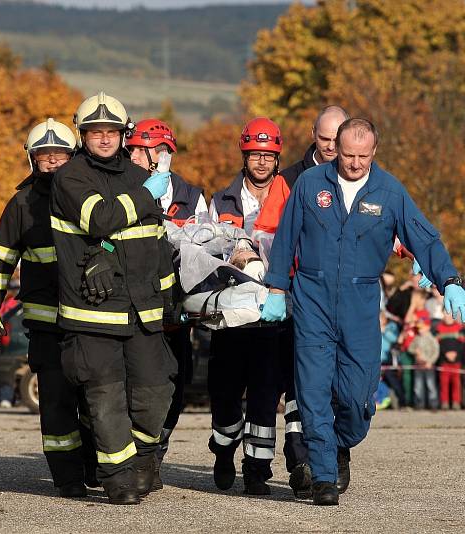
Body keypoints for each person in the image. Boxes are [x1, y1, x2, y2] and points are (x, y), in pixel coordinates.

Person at [262, 118, 465, 505]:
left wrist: (450, 282)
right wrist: (277, 288)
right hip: (313, 298)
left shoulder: (390, 191)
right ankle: (324, 476)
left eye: (362, 155)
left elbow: (423, 238)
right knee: (312, 390)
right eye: (347, 154)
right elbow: (286, 237)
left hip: (361, 304)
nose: (354, 163)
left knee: (357, 396)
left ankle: (342, 441)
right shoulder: (311, 184)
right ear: (335, 150)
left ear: (374, 152)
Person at [49, 92, 176, 505]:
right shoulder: (69, 177)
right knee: (105, 399)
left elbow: (156, 240)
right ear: (82, 135)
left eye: (112, 132)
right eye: (94, 132)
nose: (104, 139)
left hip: (143, 309)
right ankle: (117, 476)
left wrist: (170, 294)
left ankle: (141, 458)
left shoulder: (139, 179)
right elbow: (99, 218)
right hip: (93, 311)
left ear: (124, 135)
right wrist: (146, 195)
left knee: (155, 394)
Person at [0, 118, 98, 497]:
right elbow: (0, 262)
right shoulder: (21, 204)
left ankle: (98, 468)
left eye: (60, 155)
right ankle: (67, 478)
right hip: (46, 326)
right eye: (44, 155)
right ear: (32, 160)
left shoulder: (93, 195)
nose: (52, 162)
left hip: (93, 321)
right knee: (56, 404)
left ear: (73, 156)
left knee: (98, 400)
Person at [207, 117, 309, 497]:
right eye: (255, 155)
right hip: (231, 316)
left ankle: (256, 470)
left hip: (275, 314)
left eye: (268, 155)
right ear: (244, 155)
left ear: (278, 158)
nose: (262, 162)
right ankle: (223, 447)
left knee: (267, 395)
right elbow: (204, 246)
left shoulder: (292, 198)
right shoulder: (221, 201)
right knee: (225, 395)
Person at [125, 117, 205, 490]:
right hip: (134, 308)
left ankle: (157, 452)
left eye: (137, 151)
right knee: (135, 383)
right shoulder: (124, 188)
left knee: (176, 383)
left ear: (160, 154)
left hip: (175, 312)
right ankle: (137, 456)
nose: (131, 157)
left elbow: (206, 248)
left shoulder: (192, 195)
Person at [280, 105, 350, 187]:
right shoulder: (288, 180)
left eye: (337, 140)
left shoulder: (361, 177)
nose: (331, 147)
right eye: (324, 139)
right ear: (313, 133)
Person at [408, 310, 439, 410]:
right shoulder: (417, 338)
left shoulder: (431, 339)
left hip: (428, 365)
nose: (420, 330)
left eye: (422, 328)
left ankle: (433, 404)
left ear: (428, 327)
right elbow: (410, 348)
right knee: (418, 386)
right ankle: (419, 404)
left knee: (431, 386)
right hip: (418, 365)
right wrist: (414, 350)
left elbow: (436, 351)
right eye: (419, 328)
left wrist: (431, 361)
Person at [436, 310, 465, 410]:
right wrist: (445, 353)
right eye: (445, 313)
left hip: (456, 361)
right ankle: (444, 402)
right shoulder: (438, 328)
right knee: (444, 383)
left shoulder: (460, 328)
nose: (448, 316)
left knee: (456, 383)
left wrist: (455, 354)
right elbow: (437, 344)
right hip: (444, 361)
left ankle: (456, 402)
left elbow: (462, 345)